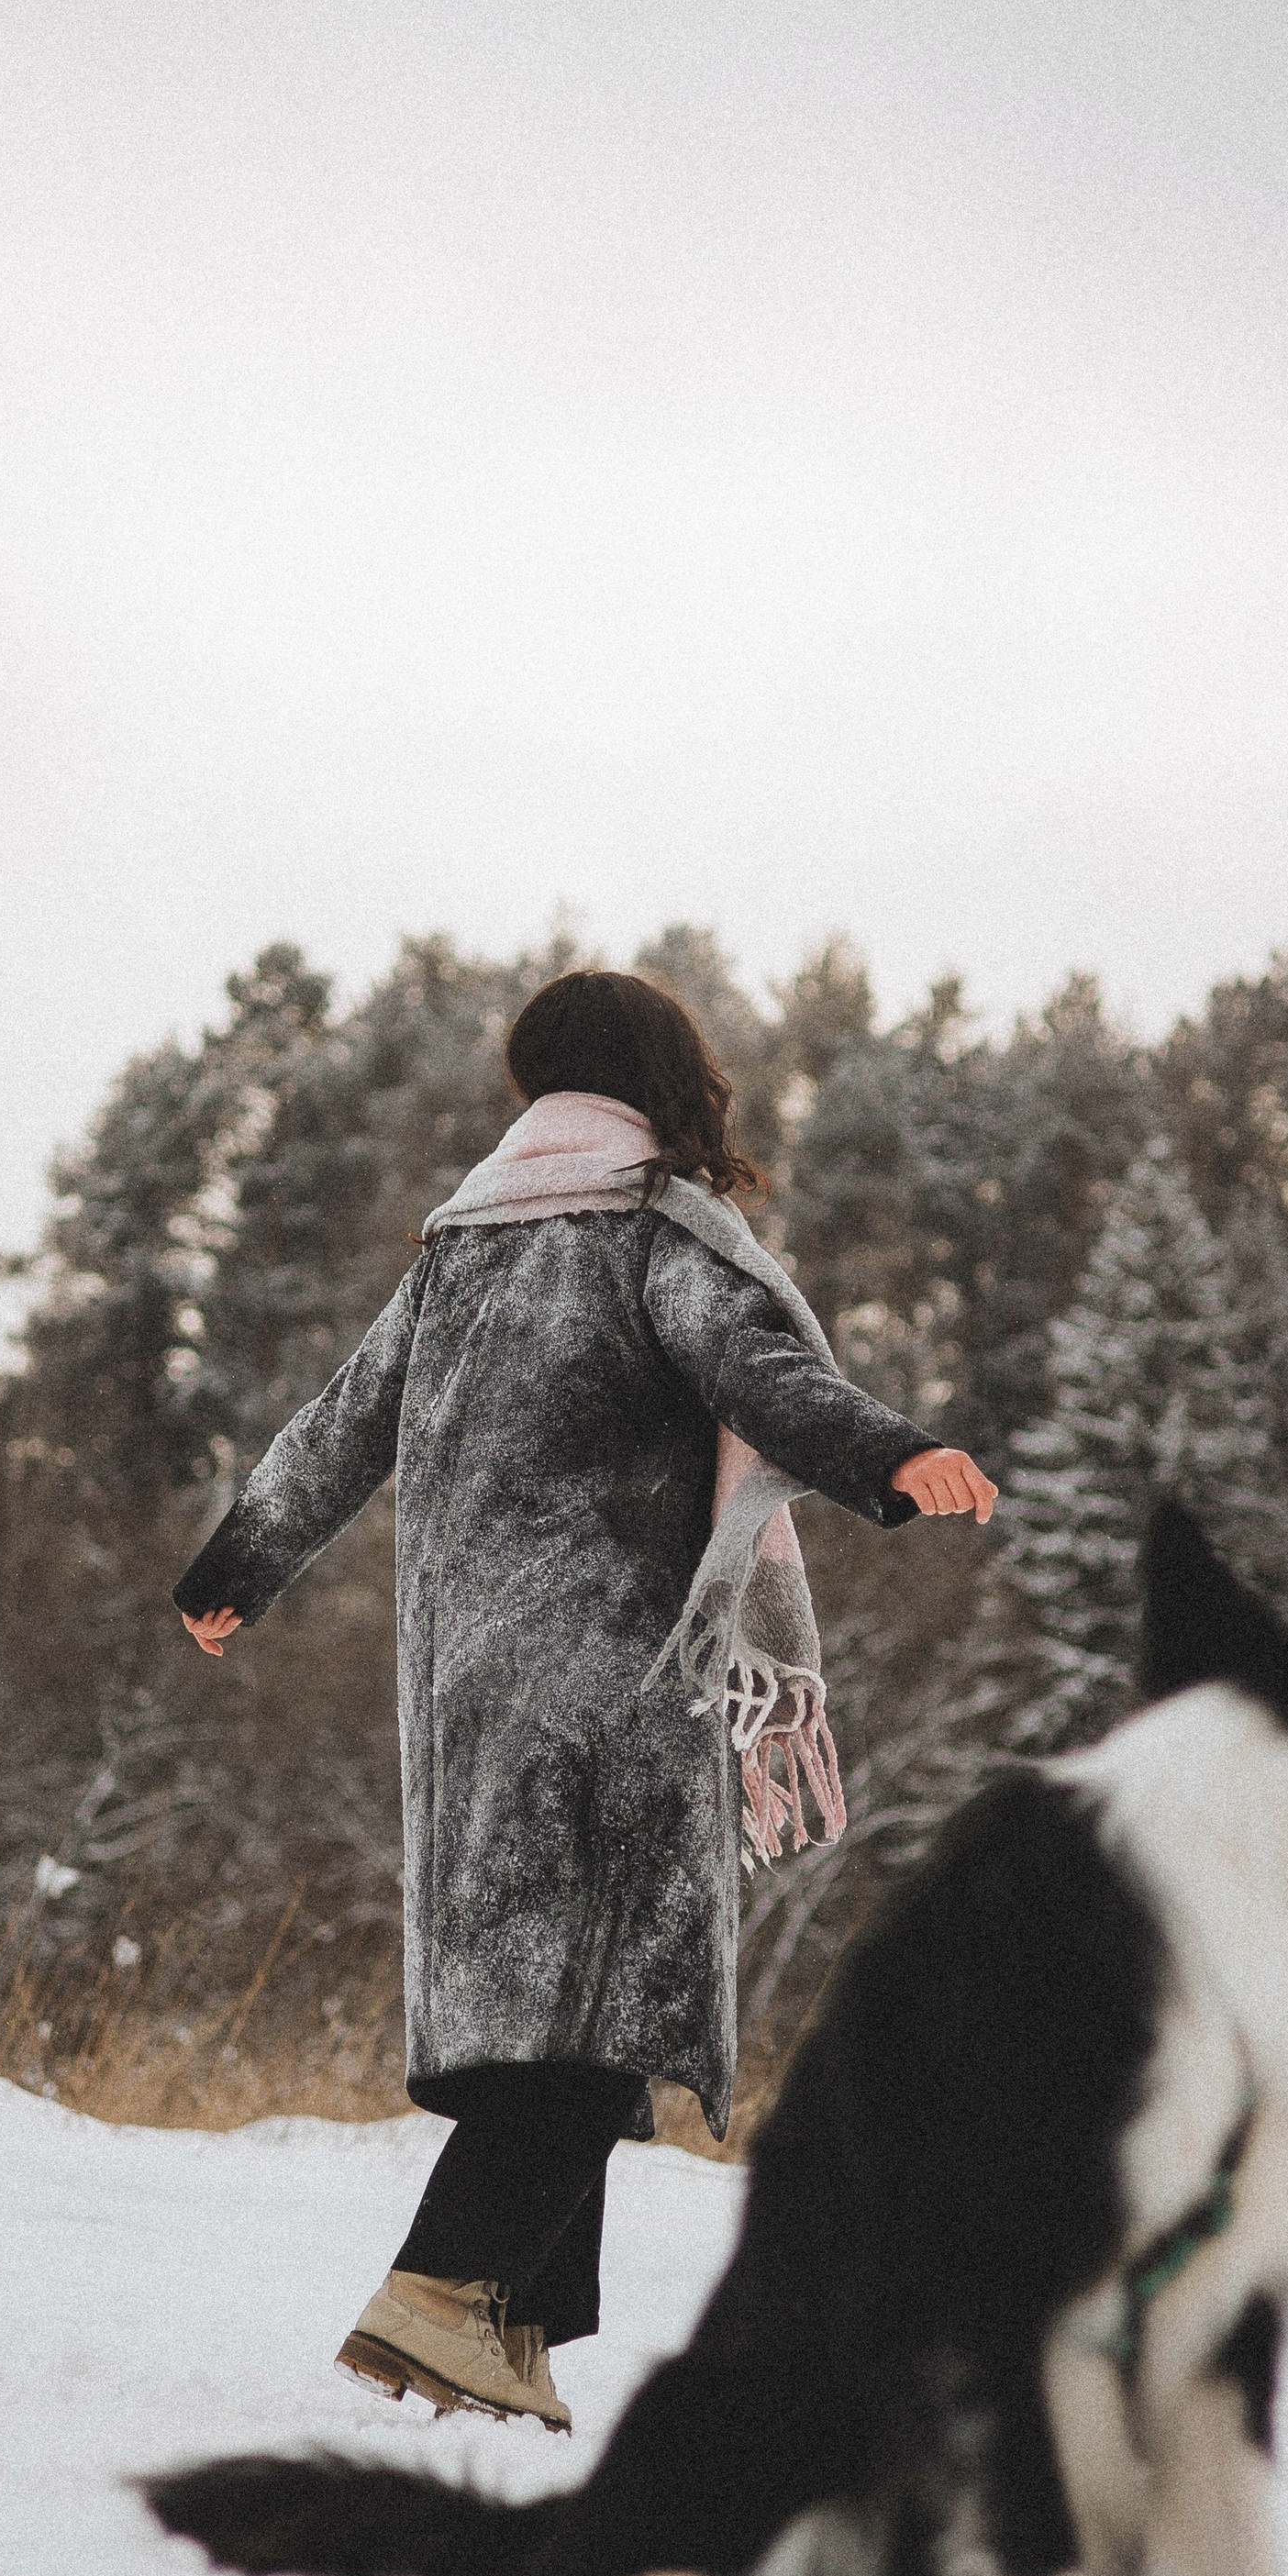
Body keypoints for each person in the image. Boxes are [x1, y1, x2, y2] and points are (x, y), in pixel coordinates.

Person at [173, 968, 995, 2430]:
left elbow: (338, 1426)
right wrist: (891, 1455)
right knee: (605, 2005)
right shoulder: (649, 1231)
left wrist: (237, 1560)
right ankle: (438, 2293)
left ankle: (514, 2335)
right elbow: (758, 1369)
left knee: (546, 2004)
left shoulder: (458, 1248)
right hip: (614, 1679)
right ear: (668, 1080)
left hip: (462, 1692)